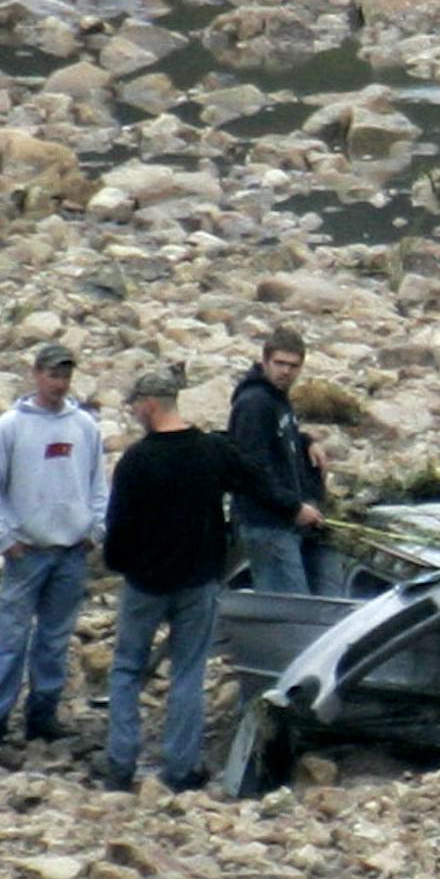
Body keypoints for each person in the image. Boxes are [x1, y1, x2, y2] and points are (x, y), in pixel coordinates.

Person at [103, 367, 239, 793]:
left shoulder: (137, 460)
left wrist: (118, 563)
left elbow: (119, 526)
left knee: (127, 668)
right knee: (187, 673)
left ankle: (121, 764)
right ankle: (180, 769)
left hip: (145, 583)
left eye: (135, 405)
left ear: (149, 404)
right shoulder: (210, 451)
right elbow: (252, 482)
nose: (134, 412)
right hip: (198, 580)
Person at [0, 343, 106, 746]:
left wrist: (95, 529)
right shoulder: (9, 426)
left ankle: (42, 715)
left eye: (65, 376)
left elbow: (98, 484)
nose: (59, 383)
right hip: (27, 551)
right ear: (36, 374)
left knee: (55, 638)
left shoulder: (84, 426)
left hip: (70, 550)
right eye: (53, 375)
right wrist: (3, 537)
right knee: (13, 638)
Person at [226, 325, 330, 595]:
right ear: (265, 361)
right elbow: (252, 470)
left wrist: (306, 442)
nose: (286, 372)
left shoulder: (276, 397)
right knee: (290, 607)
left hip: (281, 522)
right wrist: (294, 508)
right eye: (280, 363)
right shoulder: (254, 403)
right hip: (265, 525)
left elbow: (278, 435)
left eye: (293, 366)